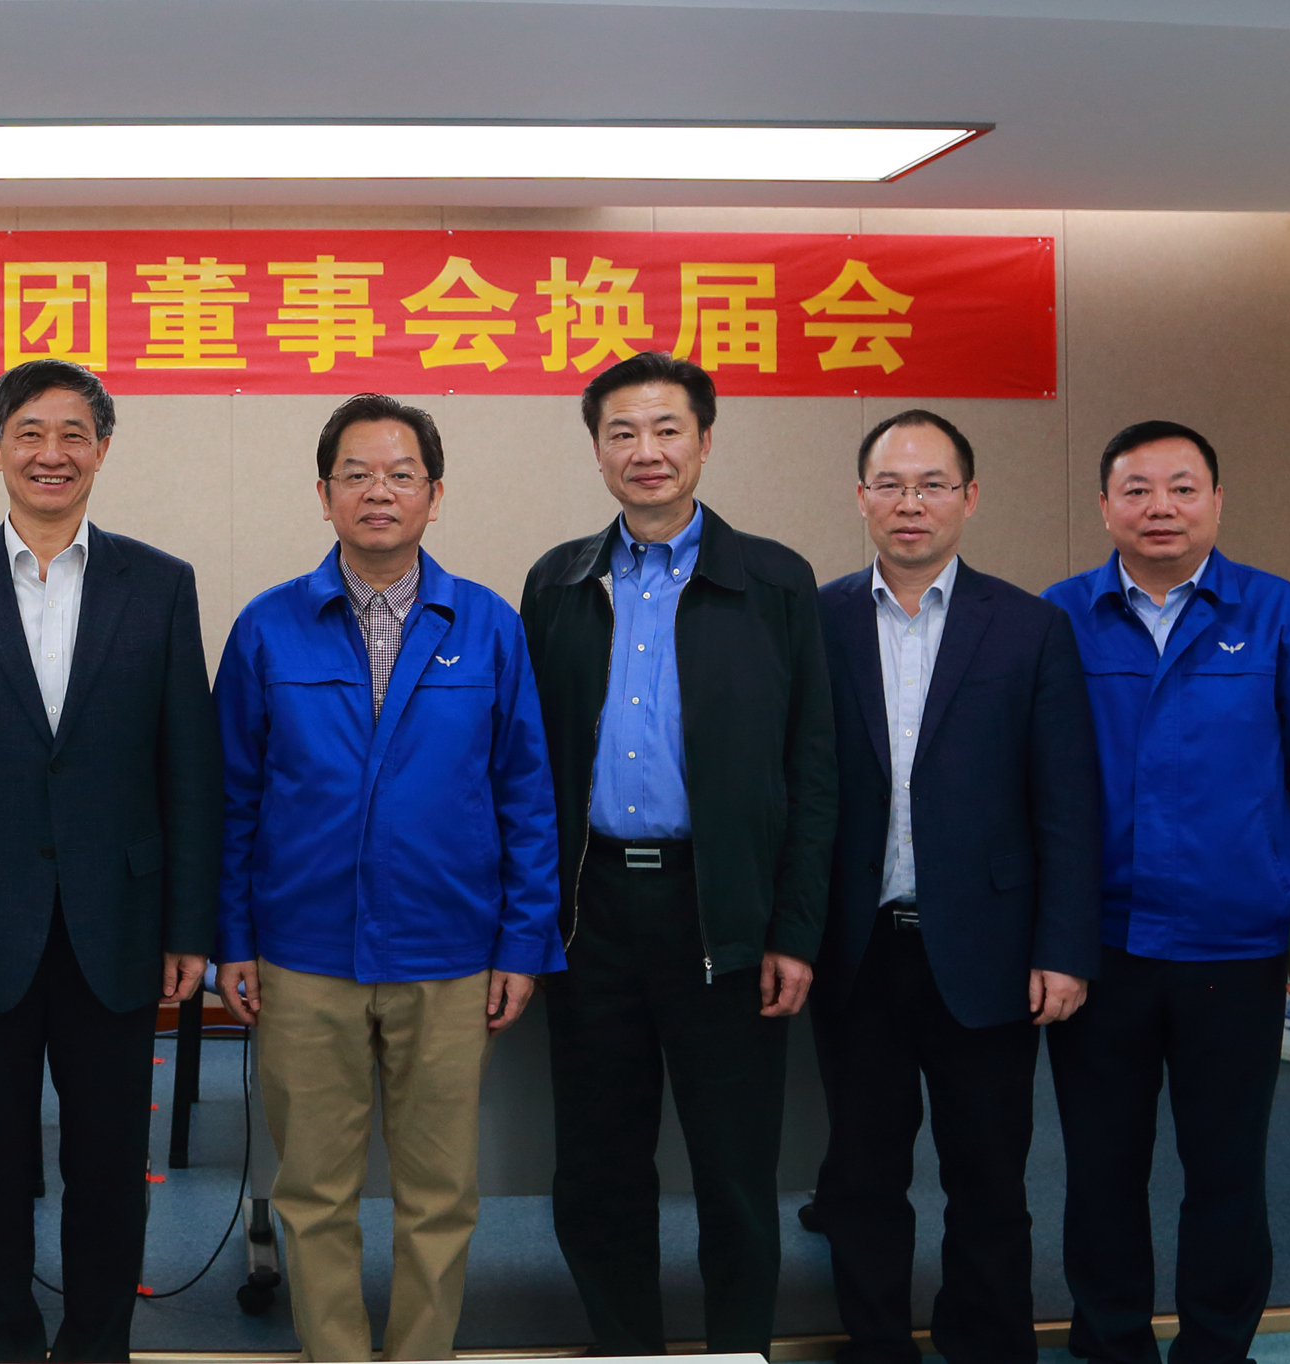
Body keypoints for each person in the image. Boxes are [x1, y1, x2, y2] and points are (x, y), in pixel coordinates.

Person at [0, 357, 222, 1363]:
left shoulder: (159, 584)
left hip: (118, 925)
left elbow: (189, 770)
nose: (51, 453)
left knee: (108, 1167)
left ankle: (96, 1346)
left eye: (74, 433)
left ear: (102, 449)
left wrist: (187, 928)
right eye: (29, 432)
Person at [213, 394, 562, 1362]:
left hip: (447, 952)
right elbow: (230, 799)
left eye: (400, 474)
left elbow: (526, 794)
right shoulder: (267, 628)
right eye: (356, 474)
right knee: (312, 1190)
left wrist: (522, 942)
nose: (378, 492)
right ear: (323, 493)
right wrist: (231, 938)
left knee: (439, 1193)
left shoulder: (487, 625)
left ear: (434, 495)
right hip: (303, 954)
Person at [519, 351, 837, 1358]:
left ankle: (735, 1350)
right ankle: (625, 1349)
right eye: (622, 432)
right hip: (593, 915)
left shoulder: (774, 581)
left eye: (666, 429)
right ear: (596, 450)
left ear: (704, 440)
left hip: (723, 911)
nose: (645, 451)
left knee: (734, 1173)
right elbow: (524, 769)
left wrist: (793, 930)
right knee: (597, 1170)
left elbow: (813, 769)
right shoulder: (558, 582)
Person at [1042, 421, 1290, 1364]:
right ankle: (1110, 1340)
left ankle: (1218, 1346)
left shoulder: (1281, 616)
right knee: (1101, 1167)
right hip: (1098, 949)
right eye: (1137, 489)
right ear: (1105, 505)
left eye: (1183, 488)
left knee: (1225, 1170)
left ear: (1217, 502)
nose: (1161, 508)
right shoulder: (1057, 618)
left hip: (1234, 946)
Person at [809, 411, 1102, 1364]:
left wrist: (1064, 948)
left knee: (988, 1177)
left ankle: (986, 1344)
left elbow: (1066, 803)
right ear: (861, 497)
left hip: (988, 951)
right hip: (857, 950)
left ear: (969, 498)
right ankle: (877, 1344)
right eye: (891, 485)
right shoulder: (816, 620)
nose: (911, 503)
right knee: (862, 1175)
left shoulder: (1029, 627)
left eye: (933, 484)